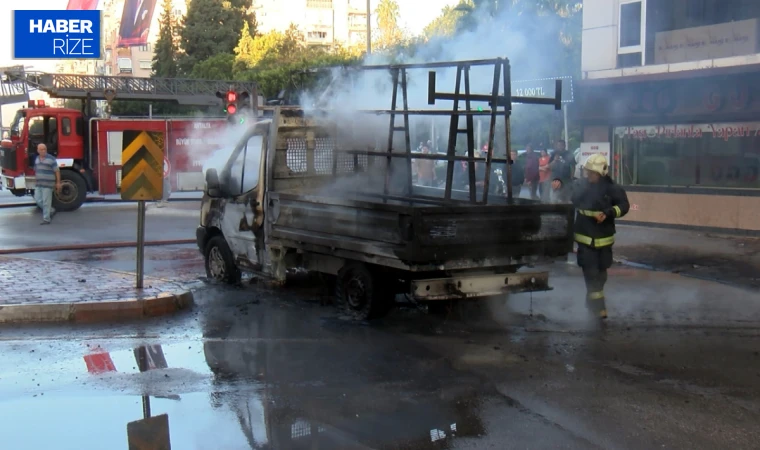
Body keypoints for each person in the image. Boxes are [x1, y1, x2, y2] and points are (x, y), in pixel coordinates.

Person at [563, 154, 629, 320]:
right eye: (587, 172)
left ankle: (591, 301)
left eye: (592, 173)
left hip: (605, 238)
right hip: (585, 238)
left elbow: (624, 206)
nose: (589, 175)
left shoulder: (613, 188)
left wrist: (610, 212)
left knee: (602, 274)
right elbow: (571, 195)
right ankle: (598, 308)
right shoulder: (581, 185)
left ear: (602, 172)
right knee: (591, 273)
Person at [33, 143, 61, 225]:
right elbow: (36, 170)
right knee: (38, 200)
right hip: (39, 183)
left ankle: (46, 219)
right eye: (41, 149)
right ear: (37, 151)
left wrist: (58, 182)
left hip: (48, 184)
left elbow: (57, 171)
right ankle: (51, 210)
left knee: (46, 202)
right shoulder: (37, 159)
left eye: (44, 149)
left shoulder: (51, 159)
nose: (43, 151)